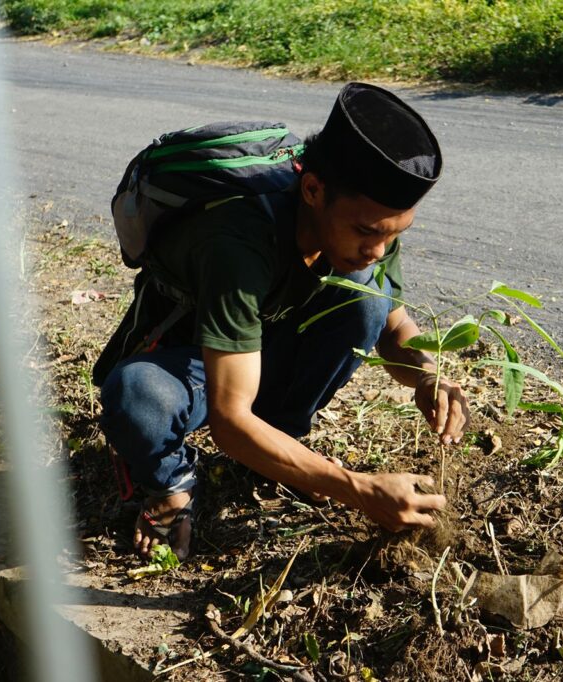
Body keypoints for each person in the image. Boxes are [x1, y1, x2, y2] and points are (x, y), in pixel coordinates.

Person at [98, 82, 469, 560]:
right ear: (312, 190)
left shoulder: (369, 226)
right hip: (194, 357)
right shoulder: (238, 239)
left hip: (265, 342)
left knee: (368, 302)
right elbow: (230, 422)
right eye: (367, 232)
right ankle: (170, 484)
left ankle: (279, 445)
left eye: (394, 234)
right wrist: (355, 488)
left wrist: (427, 375)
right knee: (137, 398)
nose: (378, 250)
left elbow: (393, 326)